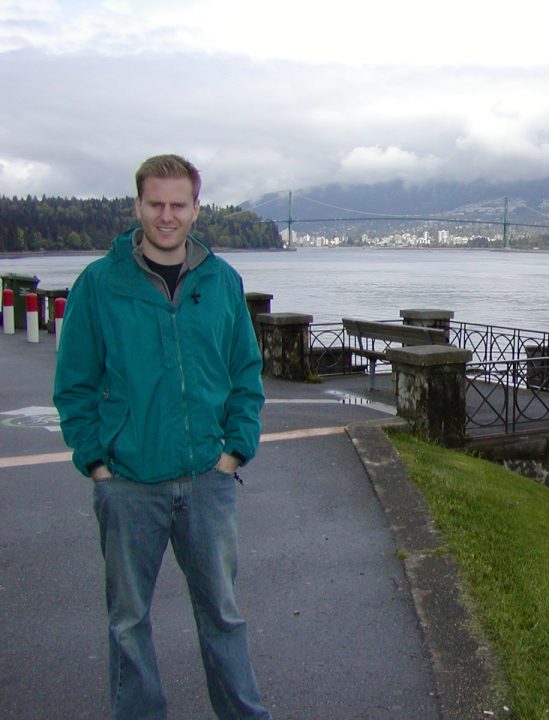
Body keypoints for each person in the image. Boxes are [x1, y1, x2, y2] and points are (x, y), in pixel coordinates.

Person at [53, 154, 272, 720]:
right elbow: (74, 384)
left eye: (179, 204)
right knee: (129, 622)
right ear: (138, 206)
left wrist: (234, 451)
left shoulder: (221, 282)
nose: (167, 216)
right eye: (156, 204)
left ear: (197, 208)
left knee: (223, 616)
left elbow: (246, 372)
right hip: (128, 484)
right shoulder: (99, 285)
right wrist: (96, 463)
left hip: (208, 480)